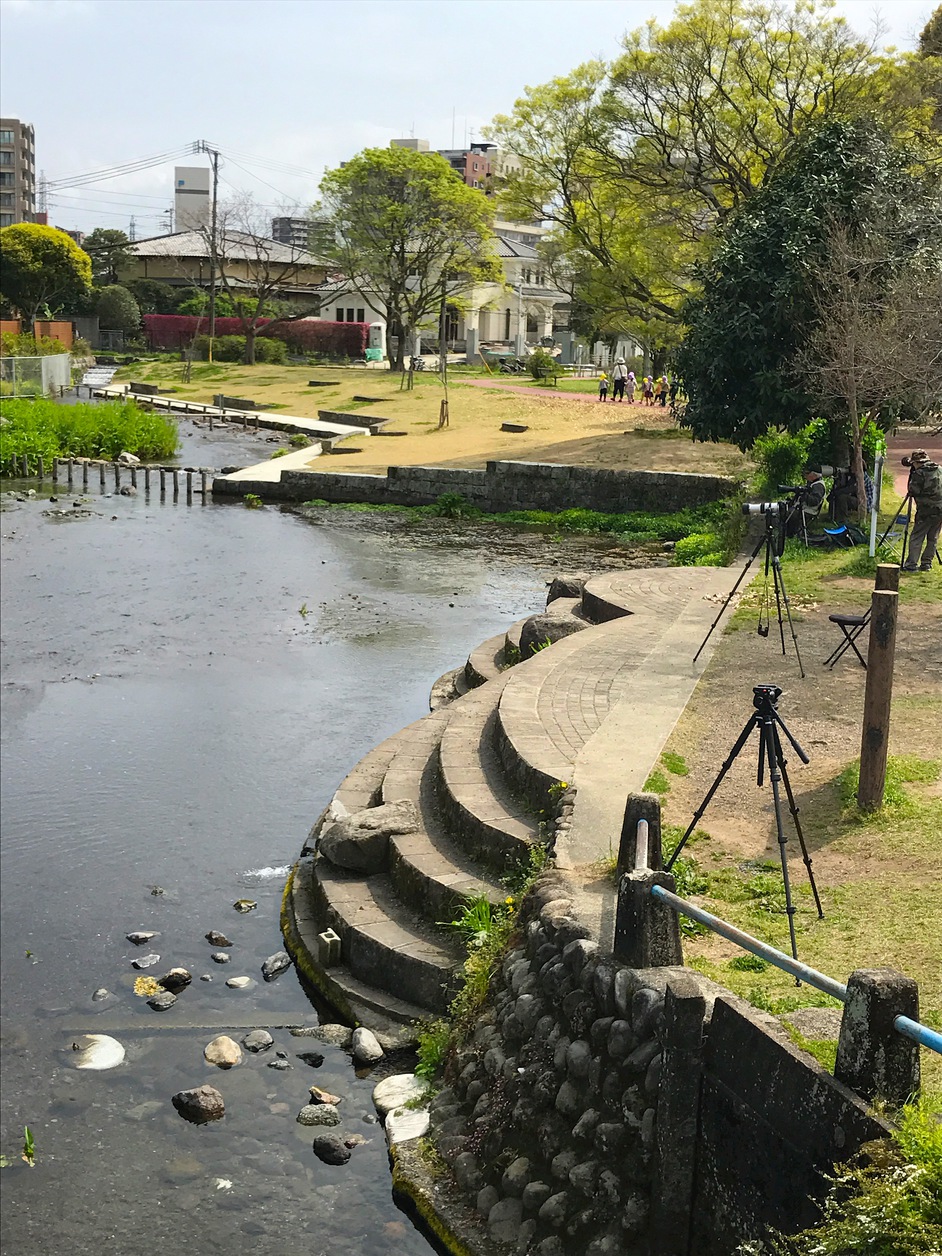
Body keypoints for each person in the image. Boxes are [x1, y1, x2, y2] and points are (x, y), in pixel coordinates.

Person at [902, 449, 942, 572]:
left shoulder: (919, 473)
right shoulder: (939, 469)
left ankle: (911, 564)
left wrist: (913, 476)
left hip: (926, 510)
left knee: (916, 536)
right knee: (933, 537)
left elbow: (913, 491)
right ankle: (926, 564)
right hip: (940, 508)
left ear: (916, 462)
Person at [787, 469, 826, 537]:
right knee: (785, 507)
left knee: (790, 513)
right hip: (805, 508)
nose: (805, 476)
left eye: (807, 474)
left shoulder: (818, 486)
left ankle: (790, 534)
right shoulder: (813, 483)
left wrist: (804, 494)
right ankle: (789, 532)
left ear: (814, 475)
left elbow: (814, 501)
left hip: (809, 510)